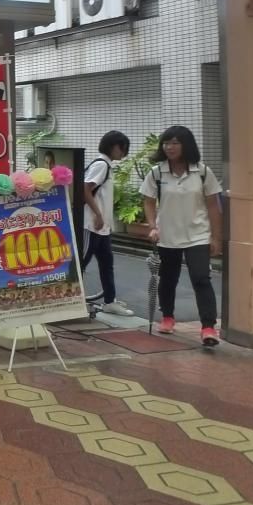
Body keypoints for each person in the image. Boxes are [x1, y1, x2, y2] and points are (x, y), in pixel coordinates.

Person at [141, 125, 223, 346]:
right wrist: (152, 226)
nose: (170, 147)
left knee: (201, 278)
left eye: (175, 143)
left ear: (186, 145)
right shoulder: (157, 173)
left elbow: (213, 206)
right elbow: (148, 201)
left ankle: (208, 327)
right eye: (166, 143)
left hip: (198, 235)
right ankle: (167, 316)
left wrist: (216, 237)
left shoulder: (203, 172)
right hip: (167, 236)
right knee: (168, 279)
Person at [83, 130, 133, 316]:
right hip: (91, 225)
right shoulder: (101, 165)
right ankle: (71, 301)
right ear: (113, 147)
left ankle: (110, 301)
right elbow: (85, 189)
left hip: (101, 227)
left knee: (106, 264)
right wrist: (97, 214)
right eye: (122, 148)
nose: (124, 152)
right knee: (81, 262)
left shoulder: (106, 165)